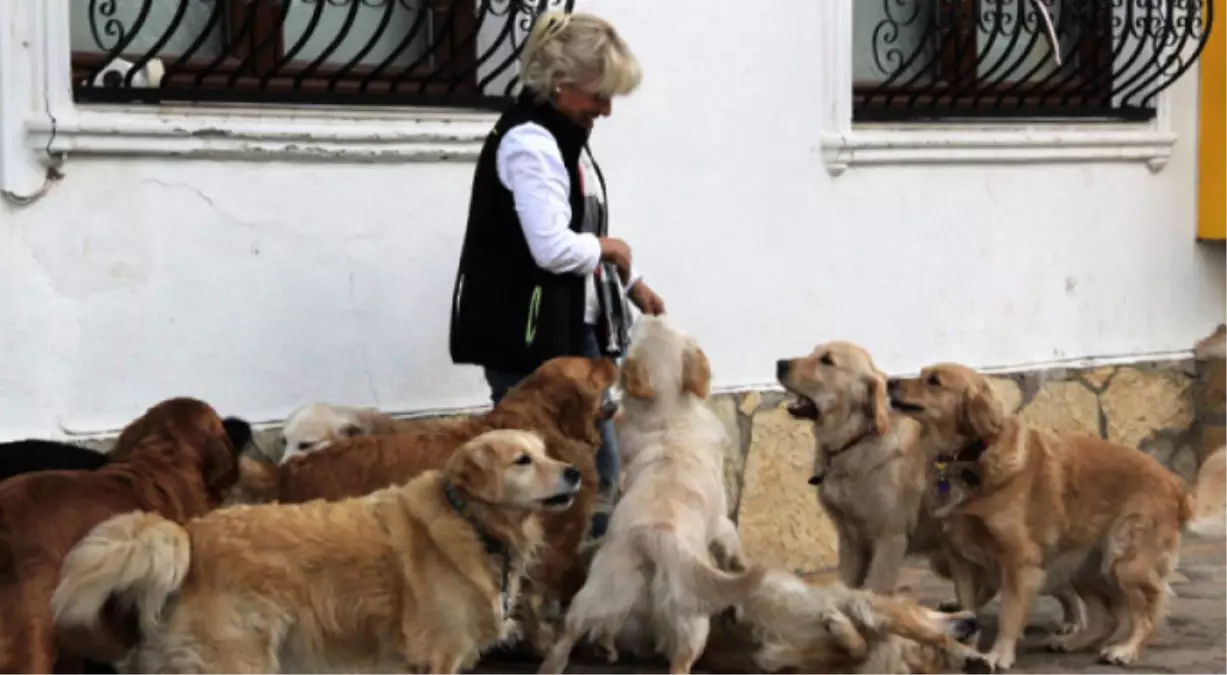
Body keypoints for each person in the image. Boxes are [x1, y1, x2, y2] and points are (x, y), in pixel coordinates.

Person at [448, 10, 665, 538]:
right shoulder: (531, 143)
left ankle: (577, 595)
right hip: (528, 340)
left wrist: (629, 283)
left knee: (589, 475)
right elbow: (552, 248)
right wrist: (607, 248)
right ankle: (556, 598)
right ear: (563, 85)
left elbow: (581, 233)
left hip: (565, 331)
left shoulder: (561, 137)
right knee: (555, 485)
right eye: (600, 94)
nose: (607, 109)